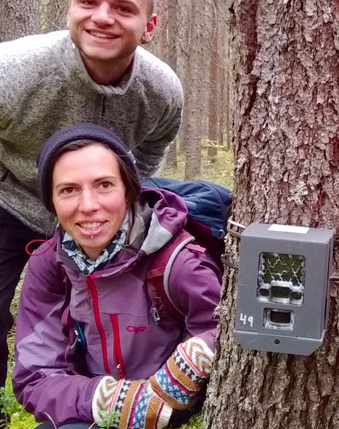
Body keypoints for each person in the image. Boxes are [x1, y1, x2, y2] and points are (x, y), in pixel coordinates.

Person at [0, 0, 183, 429]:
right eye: (88, 2)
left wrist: (122, 207)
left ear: (149, 25)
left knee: (114, 322)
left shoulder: (162, 91)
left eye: (122, 8)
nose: (102, 18)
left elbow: (150, 151)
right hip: (7, 202)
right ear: (70, 7)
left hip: (98, 214)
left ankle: (106, 407)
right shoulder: (10, 72)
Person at [13, 124, 220, 429]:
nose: (88, 206)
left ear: (128, 190)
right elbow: (35, 375)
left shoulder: (175, 260)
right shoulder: (50, 265)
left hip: (171, 409)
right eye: (68, 190)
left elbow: (226, 332)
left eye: (104, 185)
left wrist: (197, 354)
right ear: (51, 202)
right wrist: (105, 398)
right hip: (92, 406)